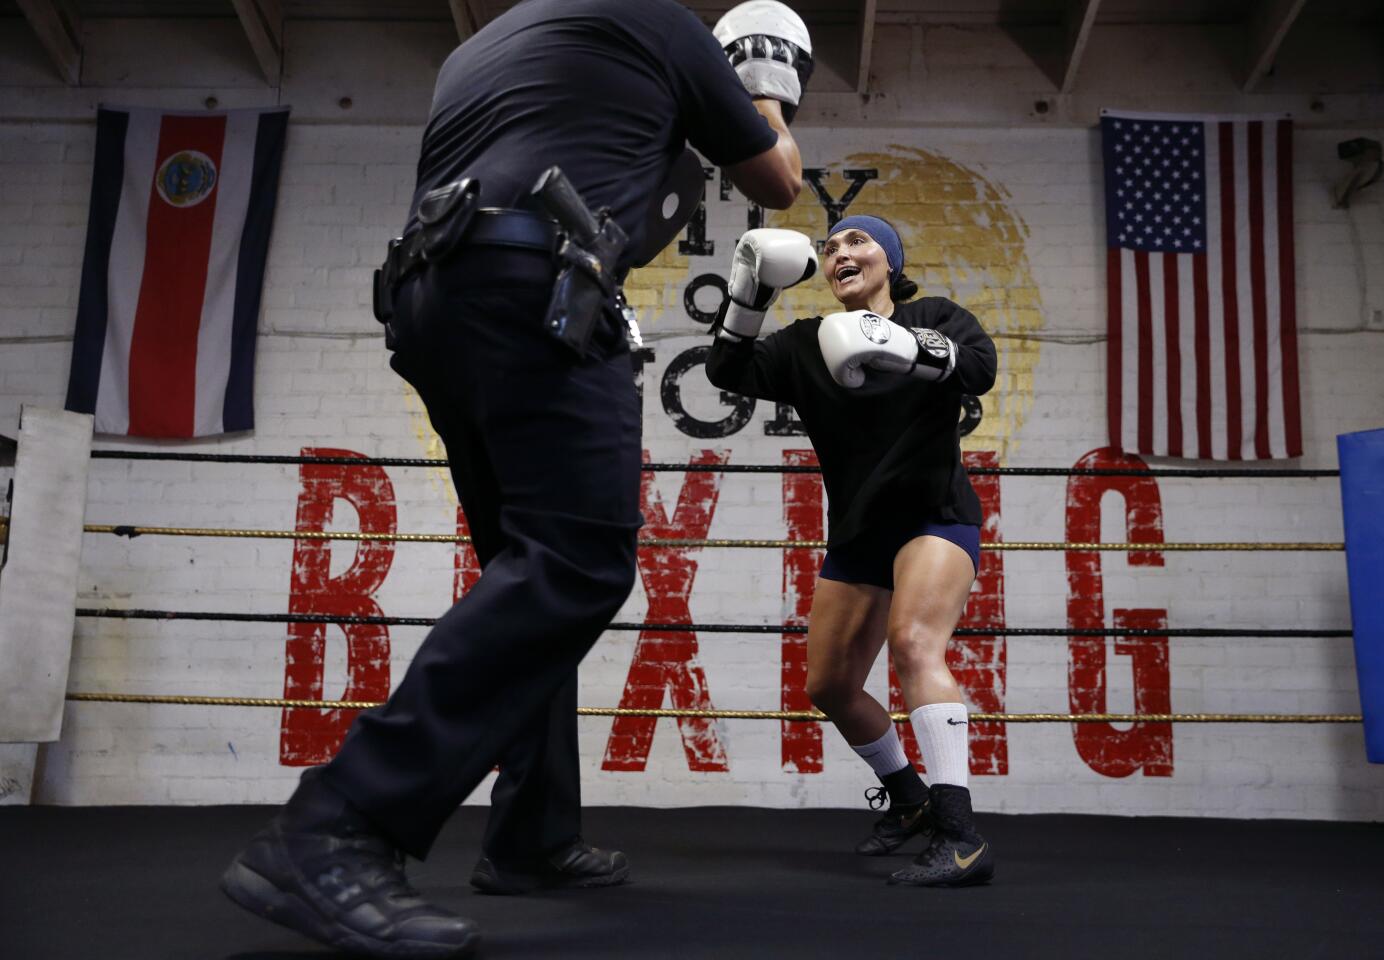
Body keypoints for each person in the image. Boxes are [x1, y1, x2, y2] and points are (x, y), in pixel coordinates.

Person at [220, 1, 809, 955]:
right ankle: (336, 825)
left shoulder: (479, 47)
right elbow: (777, 181)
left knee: (525, 570)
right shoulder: (658, 21)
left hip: (432, 300)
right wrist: (765, 88)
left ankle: (531, 837)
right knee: (578, 563)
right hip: (533, 286)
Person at [705, 214, 998, 887]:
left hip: (934, 514)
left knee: (915, 643)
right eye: (829, 246)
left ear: (890, 260)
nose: (840, 251)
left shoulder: (935, 314)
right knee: (830, 684)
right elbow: (727, 367)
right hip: (861, 531)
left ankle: (961, 837)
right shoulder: (807, 345)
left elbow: (979, 369)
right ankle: (909, 799)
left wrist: (906, 347)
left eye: (858, 241)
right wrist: (748, 294)